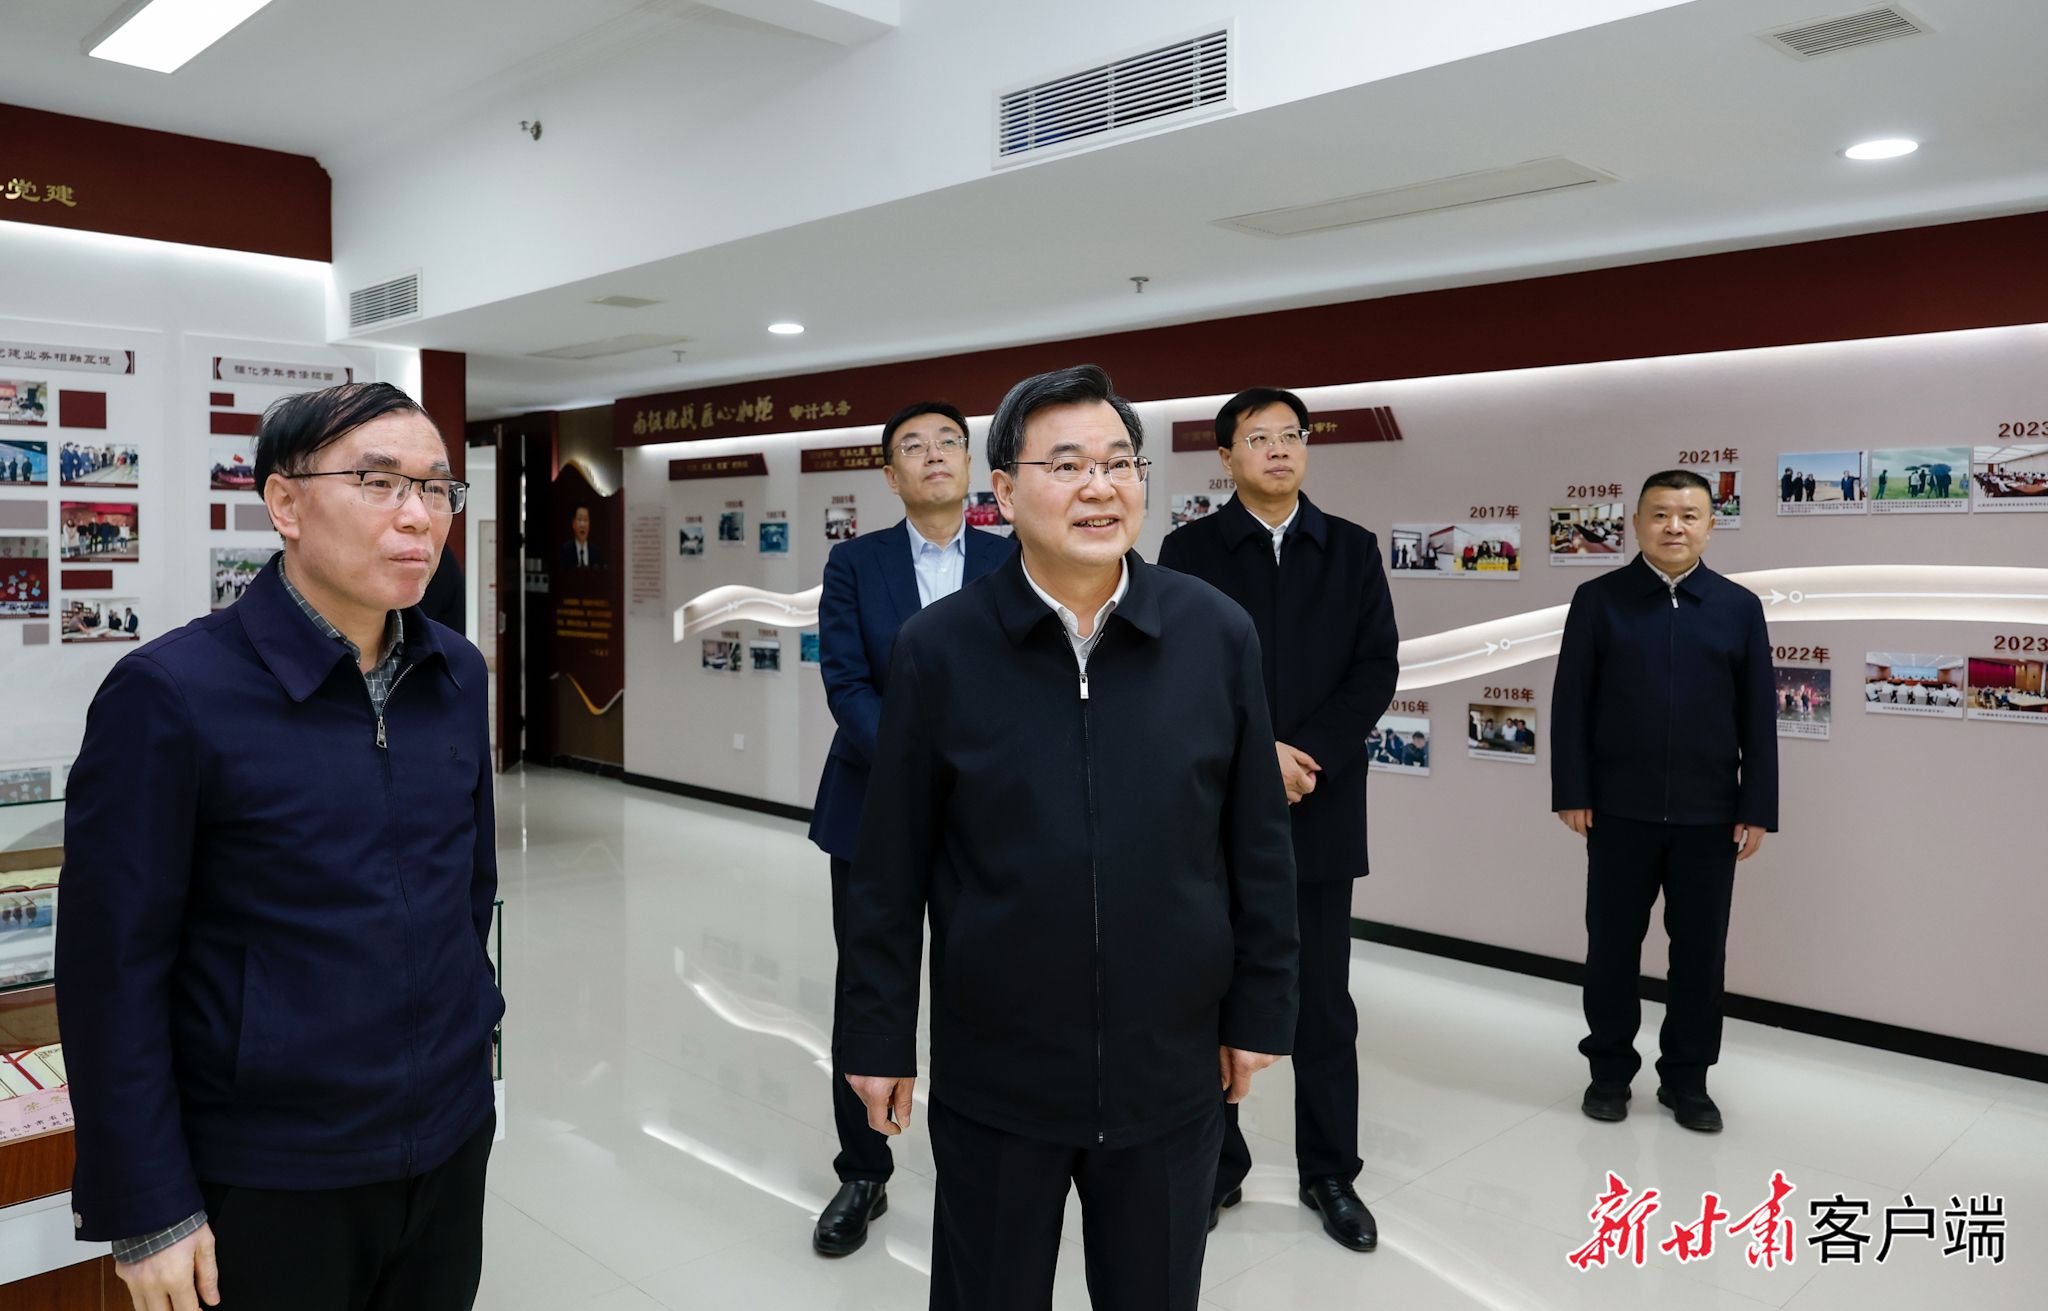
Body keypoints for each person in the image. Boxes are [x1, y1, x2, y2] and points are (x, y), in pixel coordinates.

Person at [836, 365, 1299, 1311]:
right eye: (1068, 464)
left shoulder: (1214, 634)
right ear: (1004, 493)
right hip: (998, 1072)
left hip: (1168, 1069)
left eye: (1119, 462)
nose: (1100, 486)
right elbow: (889, 864)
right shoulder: (941, 648)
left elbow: (1256, 840)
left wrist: (1260, 1008)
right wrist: (878, 1033)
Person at [57, 382, 501, 1311]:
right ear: (286, 503)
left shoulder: (455, 672)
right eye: (379, 482)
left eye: (436, 487)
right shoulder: (173, 693)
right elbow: (111, 970)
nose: (418, 516)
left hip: (448, 1139)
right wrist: (148, 1205)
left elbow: (469, 889)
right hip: (268, 1168)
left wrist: (472, 1036)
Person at [1157, 385, 1398, 1253]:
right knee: (1209, 991)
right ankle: (1216, 1163)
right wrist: (1256, 754)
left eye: (1291, 434)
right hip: (1214, 805)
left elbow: (1375, 667)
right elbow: (1173, 670)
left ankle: (1330, 1171)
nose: (1279, 448)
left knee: (1323, 1000)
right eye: (1258, 437)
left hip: (1319, 804)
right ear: (1226, 456)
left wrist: (1306, 755)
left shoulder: (1352, 548)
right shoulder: (1187, 551)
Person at [807, 400, 1011, 1257]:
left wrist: (972, 772)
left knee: (986, 987)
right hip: (872, 811)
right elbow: (847, 682)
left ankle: (986, 1154)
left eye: (949, 443)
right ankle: (863, 1169)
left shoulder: (1010, 559)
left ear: (971, 467)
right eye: (914, 447)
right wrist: (918, 771)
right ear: (891, 476)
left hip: (988, 817)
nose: (934, 455)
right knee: (871, 985)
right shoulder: (855, 562)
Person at [1551, 469, 1776, 1135]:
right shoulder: (1599, 600)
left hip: (1712, 815)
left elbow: (1758, 715)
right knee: (1611, 948)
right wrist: (1573, 790)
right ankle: (1608, 1072)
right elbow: (1571, 702)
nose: (1674, 526)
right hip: (1618, 809)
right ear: (1637, 523)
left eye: (1689, 514)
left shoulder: (1738, 607)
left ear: (1710, 525)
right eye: (1660, 514)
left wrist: (1756, 804)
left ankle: (1687, 1079)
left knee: (1700, 954)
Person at [558, 505, 603, 569]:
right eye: (579, 519)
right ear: (573, 523)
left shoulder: (596, 553)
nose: (583, 524)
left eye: (585, 520)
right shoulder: (565, 551)